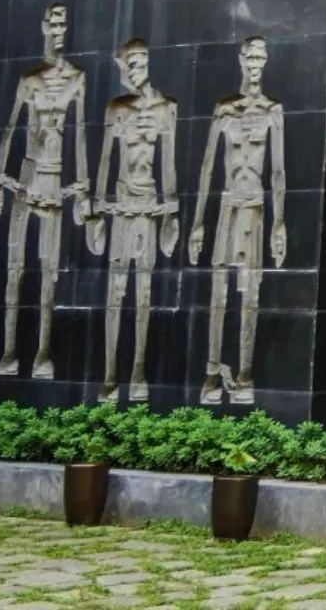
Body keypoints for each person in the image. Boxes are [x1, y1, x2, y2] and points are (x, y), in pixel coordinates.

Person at [0, 3, 89, 380]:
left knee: (49, 272)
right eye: (55, 22)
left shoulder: (77, 78)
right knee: (16, 270)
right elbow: (10, 130)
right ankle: (10, 350)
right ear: (44, 25)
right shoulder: (30, 79)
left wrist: (83, 190)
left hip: (54, 177)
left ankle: (44, 351)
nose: (60, 29)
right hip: (25, 177)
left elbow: (79, 133)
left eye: (65, 22)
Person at [187, 37, 286, 406]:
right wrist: (198, 221)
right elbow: (207, 167)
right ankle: (213, 370)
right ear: (241, 59)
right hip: (228, 203)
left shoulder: (273, 110)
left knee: (251, 291)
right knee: (219, 289)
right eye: (251, 56)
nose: (257, 62)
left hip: (256, 204)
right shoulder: (225, 110)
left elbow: (277, 170)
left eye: (262, 55)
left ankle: (244, 372)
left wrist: (280, 222)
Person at [89, 39, 180, 403]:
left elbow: (169, 163)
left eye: (140, 60)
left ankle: (139, 369)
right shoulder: (116, 108)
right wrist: (96, 210)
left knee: (144, 294)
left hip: (149, 204)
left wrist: (171, 213)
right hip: (122, 206)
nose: (135, 66)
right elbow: (105, 161)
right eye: (130, 61)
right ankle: (110, 371)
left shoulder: (165, 108)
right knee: (116, 293)